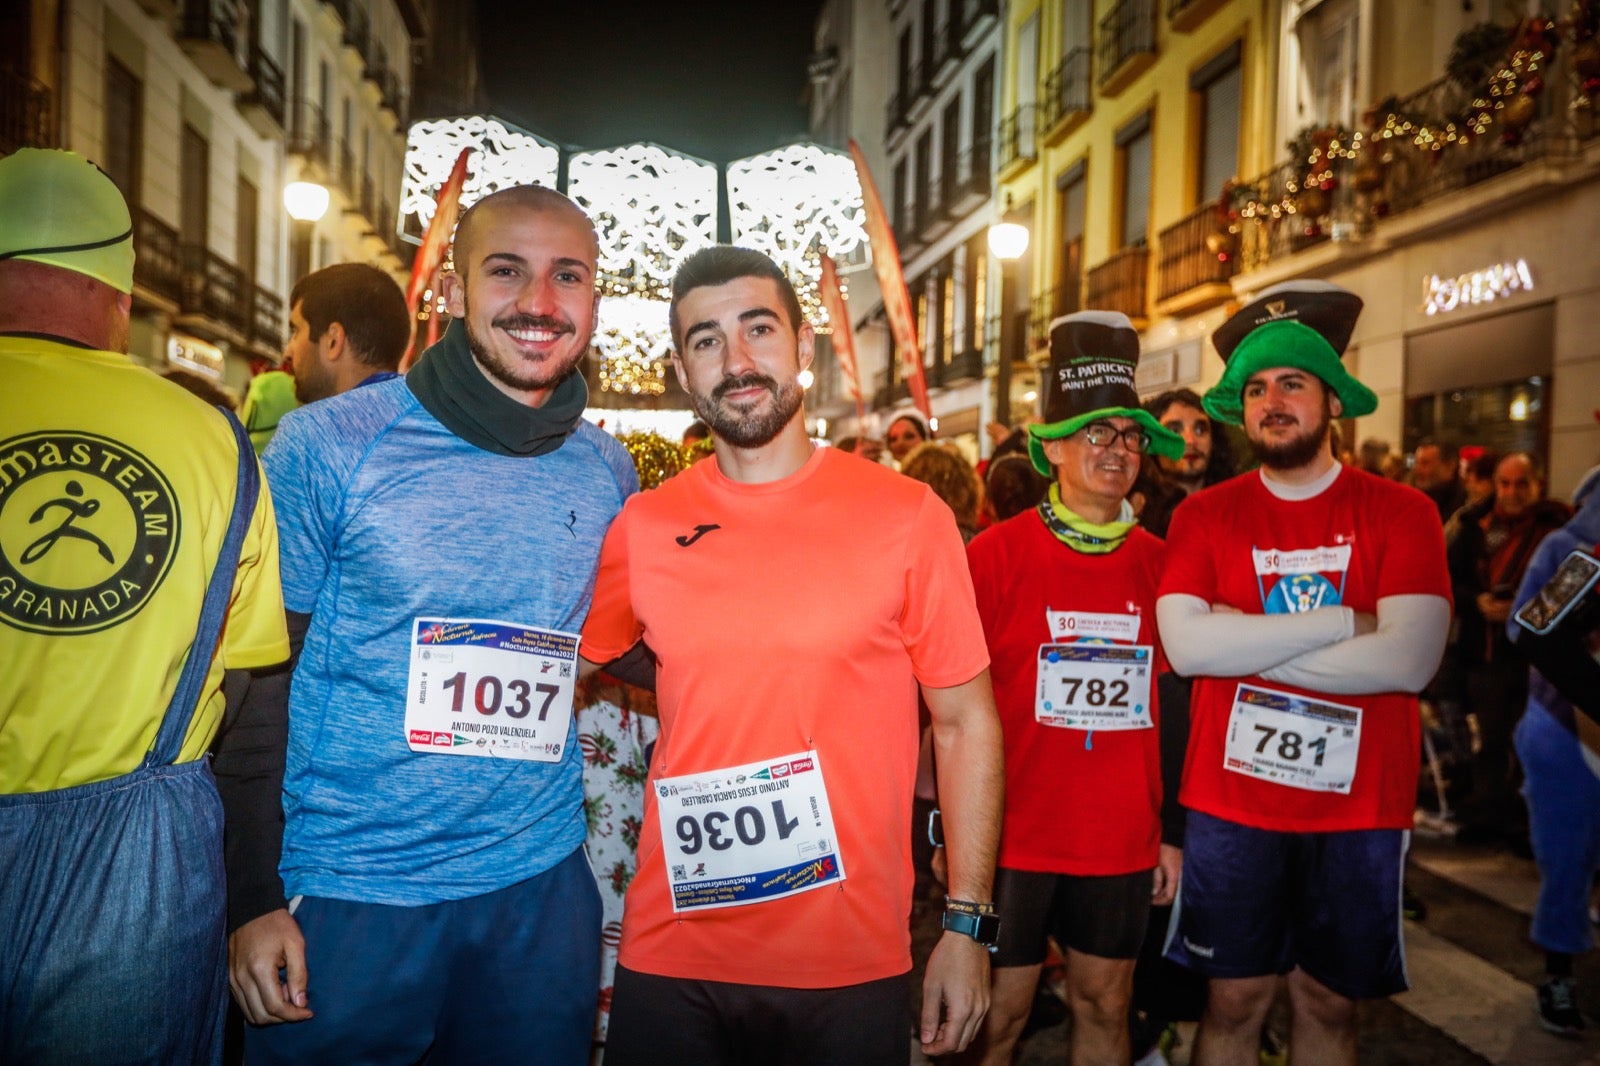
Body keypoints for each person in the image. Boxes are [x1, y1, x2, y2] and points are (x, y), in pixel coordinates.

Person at [221, 184, 639, 1063]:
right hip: (351, 891)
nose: (538, 303)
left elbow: (639, 647)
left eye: (568, 276)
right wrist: (251, 896)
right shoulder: (328, 444)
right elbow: (258, 679)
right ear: (449, 293)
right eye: (506, 272)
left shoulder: (607, 470)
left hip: (538, 888)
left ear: (595, 300)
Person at [578, 245, 1005, 1064]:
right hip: (674, 951)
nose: (736, 362)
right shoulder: (644, 526)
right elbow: (578, 663)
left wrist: (968, 923)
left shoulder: (908, 517)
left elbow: (965, 725)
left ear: (803, 348)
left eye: (758, 329)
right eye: (706, 341)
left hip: (847, 961)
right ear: (681, 368)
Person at [0, 148, 289, 1063]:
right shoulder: (213, 440)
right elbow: (250, 700)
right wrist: (256, 894)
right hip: (137, 864)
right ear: (121, 295)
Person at [1156, 280, 1452, 1065]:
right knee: (1233, 998)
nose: (1272, 400)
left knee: (1327, 1003)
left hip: (1358, 809)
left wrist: (1240, 636)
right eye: (1255, 388)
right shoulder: (1202, 516)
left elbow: (1410, 658)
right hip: (1230, 803)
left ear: (1333, 403)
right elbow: (1187, 650)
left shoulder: (1402, 512)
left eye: (1293, 383)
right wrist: (1342, 623)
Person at [959, 312, 1186, 1066]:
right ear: (1050, 446)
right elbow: (949, 706)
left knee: (1105, 1005)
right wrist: (942, 828)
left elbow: (1179, 706)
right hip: (1012, 833)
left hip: (1118, 833)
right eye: (1094, 433)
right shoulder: (992, 557)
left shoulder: (1166, 564)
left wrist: (1173, 831)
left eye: (1128, 435)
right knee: (998, 1017)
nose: (1116, 449)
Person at [1509, 465, 1600, 1037]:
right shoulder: (1578, 548)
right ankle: (1559, 974)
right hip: (1567, 731)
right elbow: (1533, 627)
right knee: (1567, 860)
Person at [1453, 452, 1570, 844]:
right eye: (1505, 484)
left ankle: (1527, 824)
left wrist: (1525, 611)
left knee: (1535, 745)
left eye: (1521, 484)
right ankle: (1487, 813)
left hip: (1539, 656)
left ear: (1537, 483)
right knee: (1489, 740)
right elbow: (1449, 581)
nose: (1513, 492)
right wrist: (1477, 604)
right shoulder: (1475, 526)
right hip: (1486, 651)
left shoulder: (1559, 528)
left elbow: (1574, 586)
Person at [282, 262, 410, 404]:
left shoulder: (305, 424)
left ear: (333, 341)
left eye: (296, 331)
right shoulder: (432, 420)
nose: (287, 352)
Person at [1138, 388, 1239, 539]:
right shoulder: (1134, 516)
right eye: (1174, 430)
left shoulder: (1238, 509)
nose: (1190, 441)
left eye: (1200, 430)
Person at [1412, 439, 1465, 522]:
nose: (1417, 470)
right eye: (1416, 463)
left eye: (1425, 463)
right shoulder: (1414, 501)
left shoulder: (1463, 509)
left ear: (1450, 465)